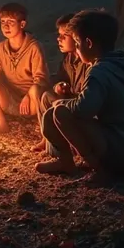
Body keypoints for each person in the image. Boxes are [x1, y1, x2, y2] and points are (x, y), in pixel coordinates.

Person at [36, 9, 124, 176]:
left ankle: (99, 168)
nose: (77, 49)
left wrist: (61, 103)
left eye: (77, 43)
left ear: (89, 43)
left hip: (119, 151)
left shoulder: (99, 72)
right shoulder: (118, 62)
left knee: (60, 112)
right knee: (52, 113)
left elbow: (84, 109)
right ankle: (66, 162)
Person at [0, 3, 49, 134]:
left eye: (11, 22)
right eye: (3, 22)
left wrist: (28, 95)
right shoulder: (0, 48)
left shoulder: (34, 47)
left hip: (32, 103)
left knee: (35, 89)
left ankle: (43, 127)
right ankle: (2, 123)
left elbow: (41, 79)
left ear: (22, 24)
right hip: (10, 101)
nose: (6, 26)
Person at [33, 12, 89, 154]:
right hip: (71, 102)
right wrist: (59, 86)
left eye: (64, 36)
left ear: (77, 38)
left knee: (52, 101)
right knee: (45, 95)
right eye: (59, 35)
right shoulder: (68, 60)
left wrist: (68, 96)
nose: (59, 39)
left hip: (83, 110)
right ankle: (47, 140)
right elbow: (59, 78)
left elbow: (87, 98)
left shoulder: (88, 62)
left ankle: (64, 149)